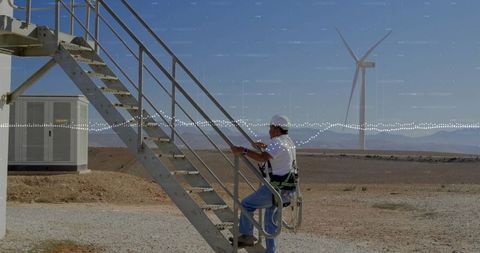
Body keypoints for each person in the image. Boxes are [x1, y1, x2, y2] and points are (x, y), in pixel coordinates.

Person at [230, 114, 296, 253]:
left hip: (275, 189)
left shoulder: (278, 142)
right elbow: (276, 155)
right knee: (270, 222)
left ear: (276, 128)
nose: (269, 131)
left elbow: (262, 158)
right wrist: (265, 147)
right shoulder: (288, 141)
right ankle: (271, 251)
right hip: (287, 190)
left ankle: (247, 235)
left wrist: (243, 150)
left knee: (246, 204)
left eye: (271, 128)